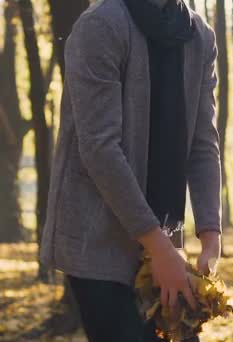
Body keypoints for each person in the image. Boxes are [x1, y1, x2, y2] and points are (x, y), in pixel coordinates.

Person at [40, 0, 221, 341]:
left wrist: (211, 235)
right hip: (96, 243)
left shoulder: (199, 37)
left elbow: (202, 142)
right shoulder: (100, 26)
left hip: (164, 241)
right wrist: (160, 248)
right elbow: (100, 148)